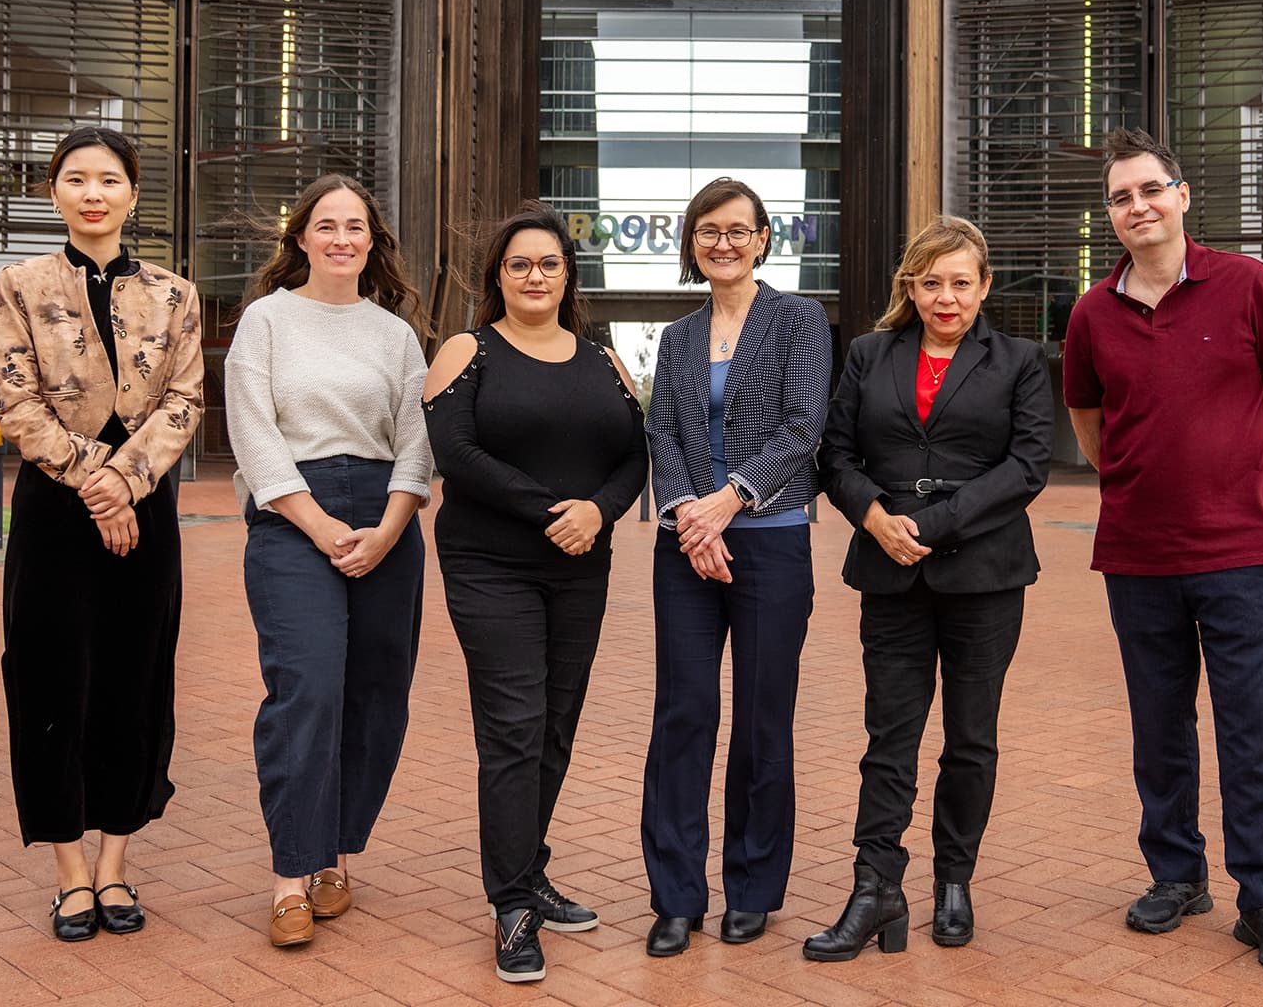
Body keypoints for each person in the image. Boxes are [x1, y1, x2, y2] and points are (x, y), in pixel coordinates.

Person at [1062, 128, 1263, 973]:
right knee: (1159, 727)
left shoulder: (1249, 285)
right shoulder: (1093, 312)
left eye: (1149, 190)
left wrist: (1251, 490)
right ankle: (1176, 875)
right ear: (1111, 216)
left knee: (1253, 727)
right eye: (1120, 197)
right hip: (1138, 556)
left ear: (1180, 195)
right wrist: (1145, 487)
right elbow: (1093, 430)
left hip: (1243, 555)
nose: (1137, 206)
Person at [805, 216, 1053, 961]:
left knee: (971, 739)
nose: (946, 297)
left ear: (983, 288)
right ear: (910, 285)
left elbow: (1027, 465)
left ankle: (954, 881)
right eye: (932, 281)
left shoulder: (1018, 361)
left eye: (961, 283)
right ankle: (875, 888)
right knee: (890, 739)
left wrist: (936, 522)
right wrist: (877, 518)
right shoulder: (869, 353)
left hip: (985, 575)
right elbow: (835, 453)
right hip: (889, 572)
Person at [423, 201, 648, 983]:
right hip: (492, 566)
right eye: (519, 264)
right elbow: (456, 454)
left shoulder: (604, 361)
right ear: (498, 276)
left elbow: (635, 459)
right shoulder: (467, 351)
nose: (534, 275)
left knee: (555, 727)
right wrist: (555, 511)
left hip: (582, 564)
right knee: (515, 728)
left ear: (568, 275)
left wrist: (599, 513)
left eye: (548, 263)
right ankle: (512, 905)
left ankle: (529, 867)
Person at [0, 125, 204, 942]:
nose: (92, 192)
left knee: (134, 675)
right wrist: (95, 482)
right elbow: (17, 399)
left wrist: (126, 483)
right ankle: (70, 874)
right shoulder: (20, 284)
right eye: (75, 178)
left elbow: (184, 400)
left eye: (108, 179)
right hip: (53, 509)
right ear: (53, 193)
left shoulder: (176, 295)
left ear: (132, 194)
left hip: (146, 504)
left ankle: (117, 863)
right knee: (51, 680)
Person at [225, 174, 432, 948]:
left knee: (378, 694)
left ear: (372, 242)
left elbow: (418, 440)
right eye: (326, 226)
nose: (342, 238)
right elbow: (252, 431)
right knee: (305, 690)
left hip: (387, 516)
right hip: (290, 517)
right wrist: (317, 525)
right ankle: (291, 875)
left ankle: (337, 858)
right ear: (302, 238)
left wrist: (384, 530)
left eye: (356, 227)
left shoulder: (396, 335)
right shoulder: (266, 321)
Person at [640, 176, 831, 957]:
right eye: (707, 231)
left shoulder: (798, 319)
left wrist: (729, 501)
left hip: (772, 541)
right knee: (683, 715)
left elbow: (803, 426)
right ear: (693, 243)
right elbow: (661, 430)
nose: (723, 242)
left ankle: (752, 886)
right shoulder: (679, 336)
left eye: (737, 230)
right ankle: (676, 895)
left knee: (760, 717)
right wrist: (692, 514)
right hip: (687, 547)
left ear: (762, 240)